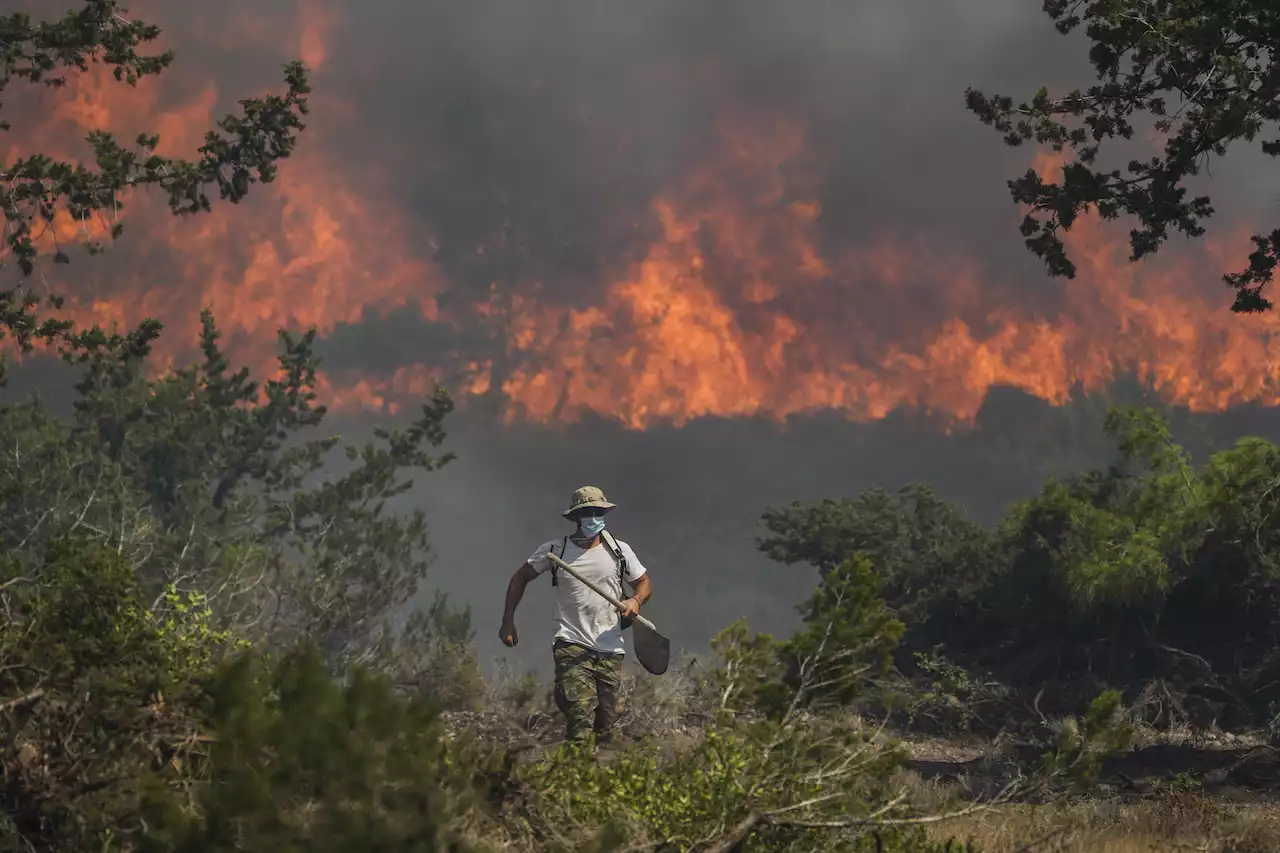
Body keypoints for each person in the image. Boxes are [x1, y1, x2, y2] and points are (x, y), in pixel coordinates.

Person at [499, 486, 653, 745]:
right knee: (580, 715)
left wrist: (635, 601)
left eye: (597, 511)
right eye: (587, 512)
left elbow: (644, 582)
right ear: (576, 517)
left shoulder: (619, 551)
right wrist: (507, 622)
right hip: (571, 643)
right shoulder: (556, 551)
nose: (593, 517)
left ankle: (598, 778)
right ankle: (574, 768)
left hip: (610, 646)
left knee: (605, 724)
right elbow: (520, 578)